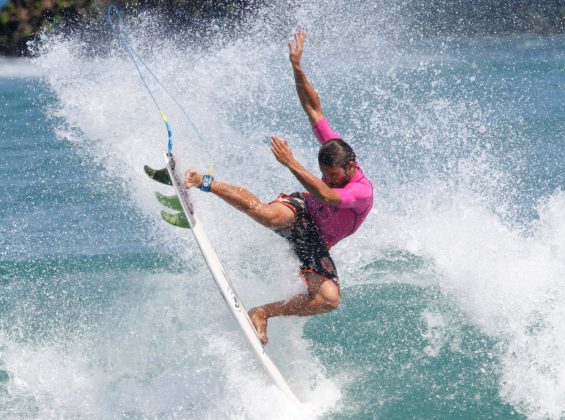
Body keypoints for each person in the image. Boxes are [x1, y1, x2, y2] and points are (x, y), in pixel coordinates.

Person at [184, 30, 373, 345]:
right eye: (323, 174)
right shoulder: (334, 150)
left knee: (329, 300)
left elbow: (327, 196)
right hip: (301, 211)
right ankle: (200, 180)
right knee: (268, 215)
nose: (327, 180)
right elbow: (314, 109)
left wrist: (291, 163)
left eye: (333, 176)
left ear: (350, 167)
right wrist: (297, 67)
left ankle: (262, 313)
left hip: (315, 241)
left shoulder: (361, 190)